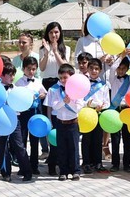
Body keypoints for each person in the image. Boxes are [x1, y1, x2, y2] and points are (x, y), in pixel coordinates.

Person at [39, 21, 71, 176]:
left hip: (61, 84)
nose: (54, 35)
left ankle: (60, 160)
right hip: (48, 86)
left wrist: (55, 51)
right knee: (51, 123)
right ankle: (52, 161)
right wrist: (46, 52)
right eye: (51, 32)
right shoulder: (42, 49)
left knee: (62, 122)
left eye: (56, 32)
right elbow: (42, 68)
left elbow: (65, 68)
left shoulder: (66, 48)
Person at [46, 63, 85, 181]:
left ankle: (75, 171)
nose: (62, 80)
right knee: (61, 148)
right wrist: (63, 101)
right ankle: (63, 171)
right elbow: (54, 106)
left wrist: (70, 103)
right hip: (60, 123)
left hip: (73, 123)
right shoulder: (54, 89)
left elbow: (78, 108)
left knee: (74, 148)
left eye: (65, 77)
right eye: (60, 78)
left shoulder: (78, 89)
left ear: (72, 77)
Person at [0, 62, 33, 182]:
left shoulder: (16, 89)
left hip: (14, 120)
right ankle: (6, 173)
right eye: (9, 75)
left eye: (13, 75)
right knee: (2, 147)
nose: (12, 77)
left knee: (19, 145)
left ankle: (27, 171)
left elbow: (21, 103)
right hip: (1, 120)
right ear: (2, 75)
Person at [15, 56, 47, 175]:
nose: (31, 71)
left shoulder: (37, 82)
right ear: (23, 68)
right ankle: (23, 166)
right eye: (29, 69)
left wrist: (42, 95)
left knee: (34, 140)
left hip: (35, 112)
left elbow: (44, 92)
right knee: (22, 140)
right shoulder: (19, 83)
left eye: (34, 69)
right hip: (23, 113)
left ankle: (34, 166)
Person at [107, 54, 130, 172]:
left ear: (127, 69)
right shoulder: (113, 78)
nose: (120, 71)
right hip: (115, 109)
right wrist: (120, 57)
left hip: (127, 109)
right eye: (119, 68)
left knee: (127, 138)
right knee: (115, 138)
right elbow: (112, 68)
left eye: (123, 68)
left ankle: (127, 164)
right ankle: (115, 164)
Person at [80, 57, 110, 174]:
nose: (94, 71)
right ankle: (86, 163)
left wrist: (101, 107)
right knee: (86, 139)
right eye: (91, 68)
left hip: (98, 113)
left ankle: (97, 162)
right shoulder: (83, 83)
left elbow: (107, 102)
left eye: (96, 69)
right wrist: (86, 105)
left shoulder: (104, 85)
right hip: (86, 113)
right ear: (87, 69)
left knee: (97, 139)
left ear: (100, 70)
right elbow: (79, 99)